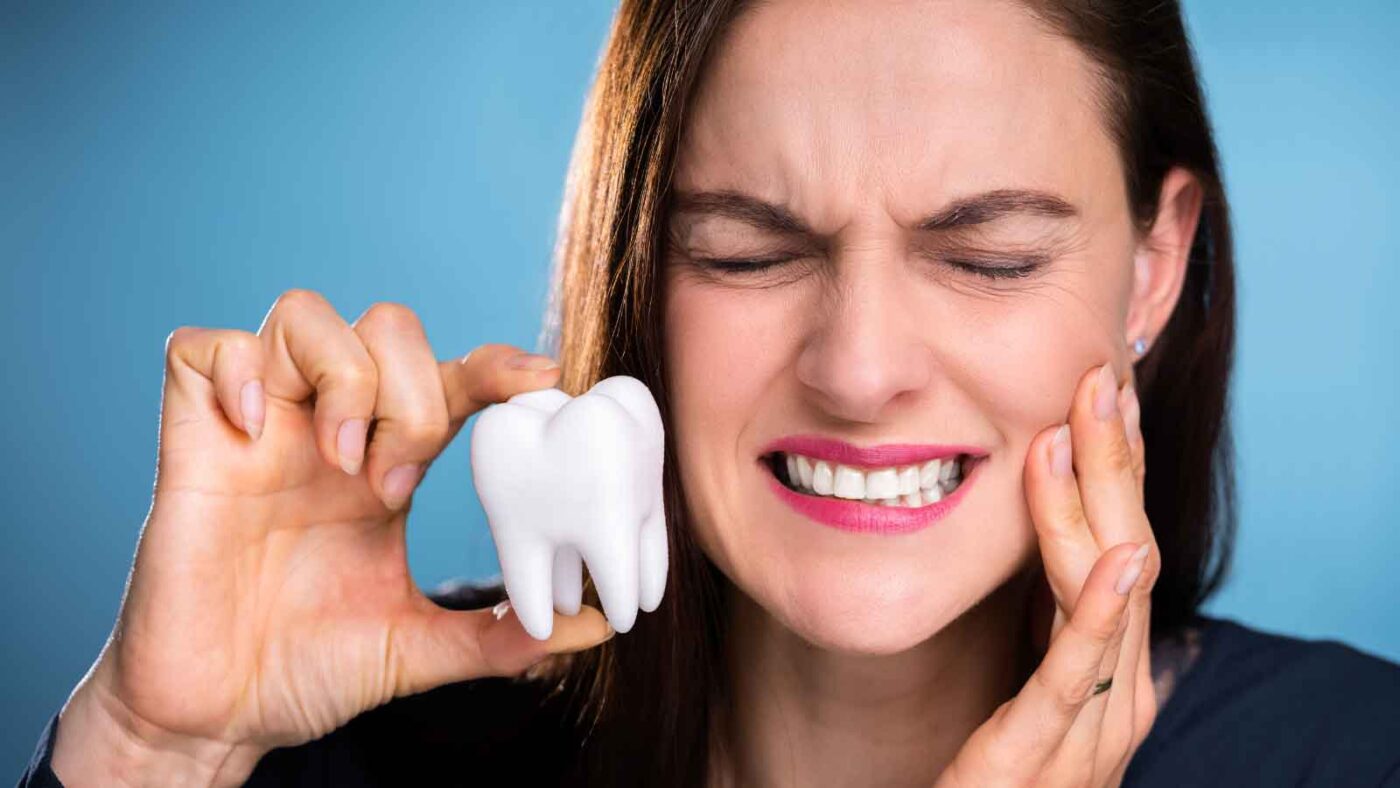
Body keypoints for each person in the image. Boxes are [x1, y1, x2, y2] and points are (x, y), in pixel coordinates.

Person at [18, 0, 1400, 786]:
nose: (858, 371)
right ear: (634, 263)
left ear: (1154, 267)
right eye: (749, 252)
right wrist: (155, 743)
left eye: (986, 258)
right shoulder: (355, 757)